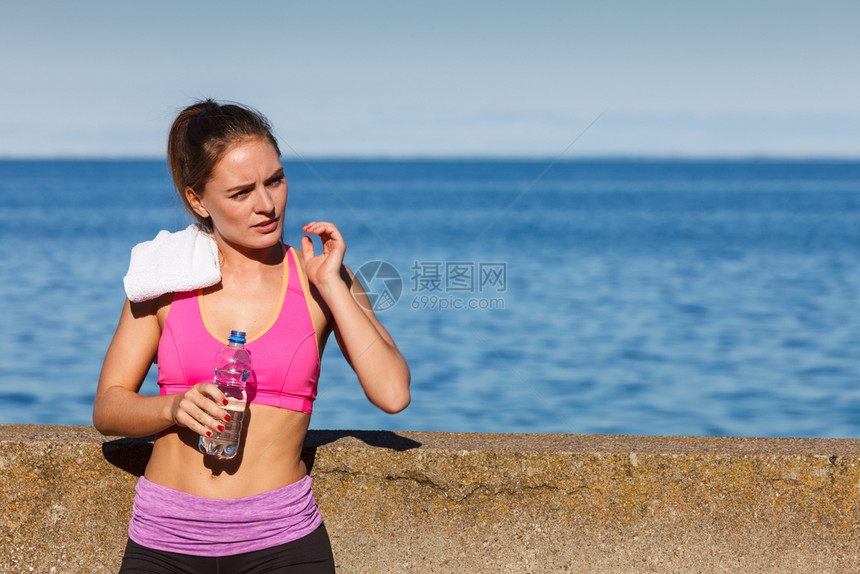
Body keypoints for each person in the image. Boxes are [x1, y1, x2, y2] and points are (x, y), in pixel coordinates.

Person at [93, 99, 411, 573]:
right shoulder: (165, 278)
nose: (266, 205)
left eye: (275, 180)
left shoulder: (320, 278)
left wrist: (331, 285)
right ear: (198, 200)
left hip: (282, 542)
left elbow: (392, 394)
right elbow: (108, 407)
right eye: (241, 192)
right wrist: (172, 408)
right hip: (166, 539)